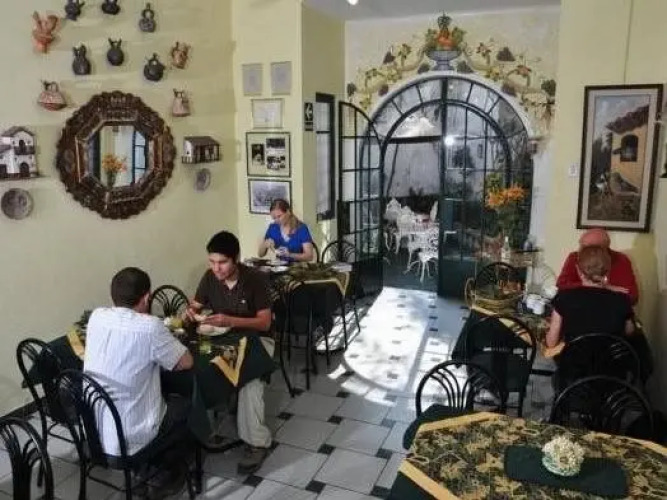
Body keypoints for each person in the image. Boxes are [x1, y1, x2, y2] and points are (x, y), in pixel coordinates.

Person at [84, 267, 194, 497]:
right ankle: (165, 473)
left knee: (149, 393)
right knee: (183, 404)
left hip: (95, 433)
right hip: (131, 438)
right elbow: (186, 362)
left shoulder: (97, 317)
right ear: (146, 298)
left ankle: (143, 470)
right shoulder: (150, 326)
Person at [187, 231, 274, 474]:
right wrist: (190, 312)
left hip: (258, 340)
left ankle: (258, 442)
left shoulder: (255, 279)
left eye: (222, 262)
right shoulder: (209, 277)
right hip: (221, 339)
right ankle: (199, 433)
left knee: (250, 379)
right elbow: (196, 305)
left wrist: (230, 320)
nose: (216, 268)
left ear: (236, 258)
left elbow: (265, 323)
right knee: (195, 368)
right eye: (212, 262)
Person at [546, 245, 635, 348]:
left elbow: (551, 343)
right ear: (608, 270)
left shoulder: (563, 298)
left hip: (574, 357)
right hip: (612, 357)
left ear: (578, 270)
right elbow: (629, 332)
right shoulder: (622, 299)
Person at [556, 228, 638, 304]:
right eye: (580, 244)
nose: (579, 250)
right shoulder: (574, 257)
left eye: (585, 247)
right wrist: (601, 286)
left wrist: (597, 287)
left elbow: (632, 296)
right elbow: (561, 286)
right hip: (579, 306)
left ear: (601, 250)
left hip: (610, 308)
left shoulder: (621, 259)